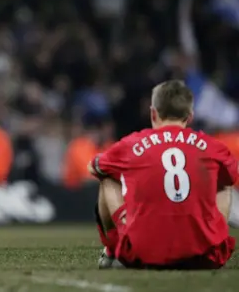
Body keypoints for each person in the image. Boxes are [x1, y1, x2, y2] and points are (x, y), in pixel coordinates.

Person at [89, 80, 237, 269]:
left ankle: (112, 251)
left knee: (107, 178)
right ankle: (213, 240)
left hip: (143, 254)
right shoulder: (213, 147)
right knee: (224, 182)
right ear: (190, 116)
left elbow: (95, 168)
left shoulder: (132, 144)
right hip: (205, 257)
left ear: (153, 113)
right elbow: (231, 175)